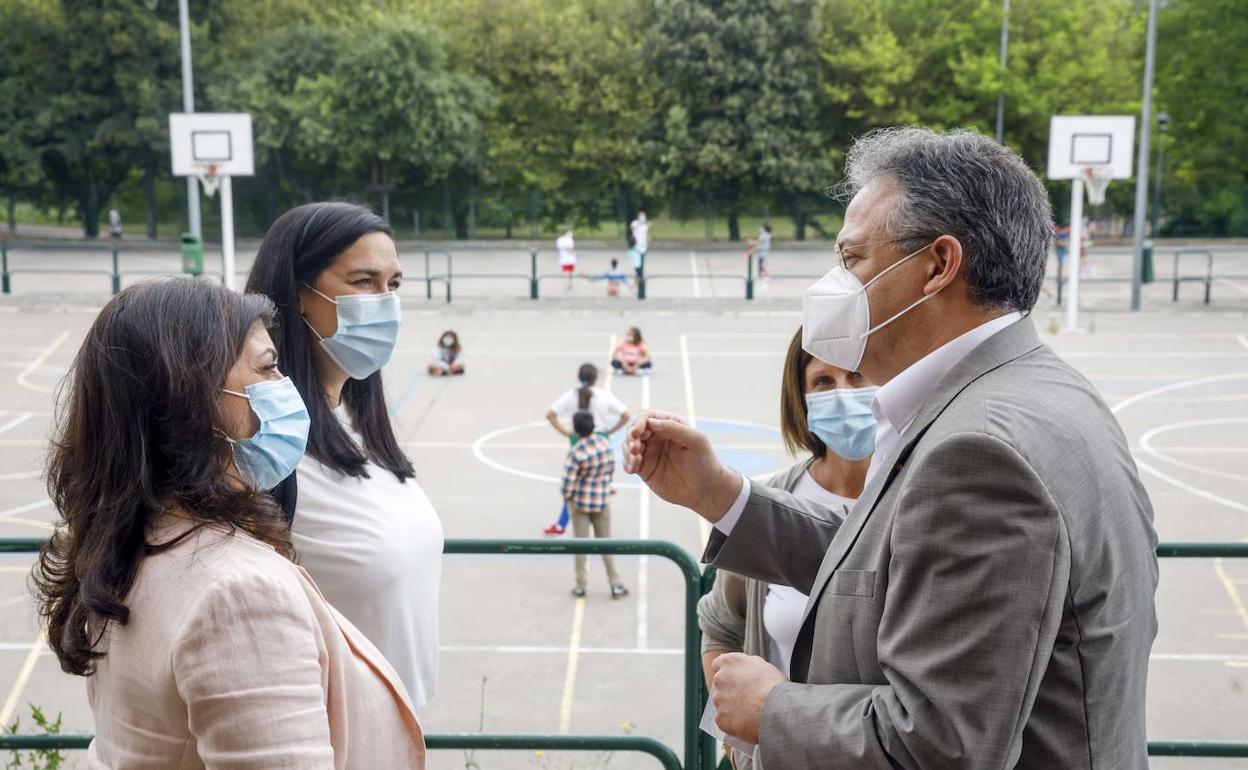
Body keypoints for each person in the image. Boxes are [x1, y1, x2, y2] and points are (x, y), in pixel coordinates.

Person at [624, 127, 1158, 768]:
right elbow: (891, 572)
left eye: (852, 259)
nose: (835, 284)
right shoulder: (1042, 391)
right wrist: (721, 496)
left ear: (938, 265)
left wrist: (773, 711)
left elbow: (942, 742)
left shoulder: (979, 452)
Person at [33, 278, 425, 768]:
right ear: (191, 400)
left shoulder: (134, 541)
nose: (287, 387)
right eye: (268, 367)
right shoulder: (239, 594)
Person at [246, 201, 444, 711]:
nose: (385, 303)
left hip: (402, 734)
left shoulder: (358, 424)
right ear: (298, 295)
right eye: (363, 282)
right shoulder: (266, 451)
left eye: (393, 285)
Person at [698, 329, 874, 770]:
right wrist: (737, 740)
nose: (843, 394)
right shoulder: (770, 501)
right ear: (800, 398)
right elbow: (721, 627)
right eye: (823, 382)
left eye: (857, 375)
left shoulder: (917, 500)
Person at [562, 410, 628, 599]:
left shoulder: (577, 451)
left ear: (575, 429)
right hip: (602, 501)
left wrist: (567, 496)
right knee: (606, 543)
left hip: (581, 504)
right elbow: (610, 470)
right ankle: (615, 584)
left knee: (581, 546)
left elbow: (568, 481)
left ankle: (581, 585)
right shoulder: (604, 445)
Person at [546, 362, 629, 443]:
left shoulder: (571, 394)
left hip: (578, 438)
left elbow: (550, 415)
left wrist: (567, 433)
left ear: (578, 377)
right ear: (595, 377)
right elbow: (625, 415)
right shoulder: (604, 395)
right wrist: (609, 432)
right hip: (599, 438)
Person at [628, 210, 649, 280]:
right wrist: (639, 223)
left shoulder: (645, 226)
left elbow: (645, 235)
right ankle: (638, 279)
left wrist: (648, 239)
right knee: (636, 265)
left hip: (643, 246)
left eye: (644, 216)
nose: (643, 217)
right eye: (642, 216)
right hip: (636, 246)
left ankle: (639, 282)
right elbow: (631, 227)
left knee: (641, 265)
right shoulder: (635, 223)